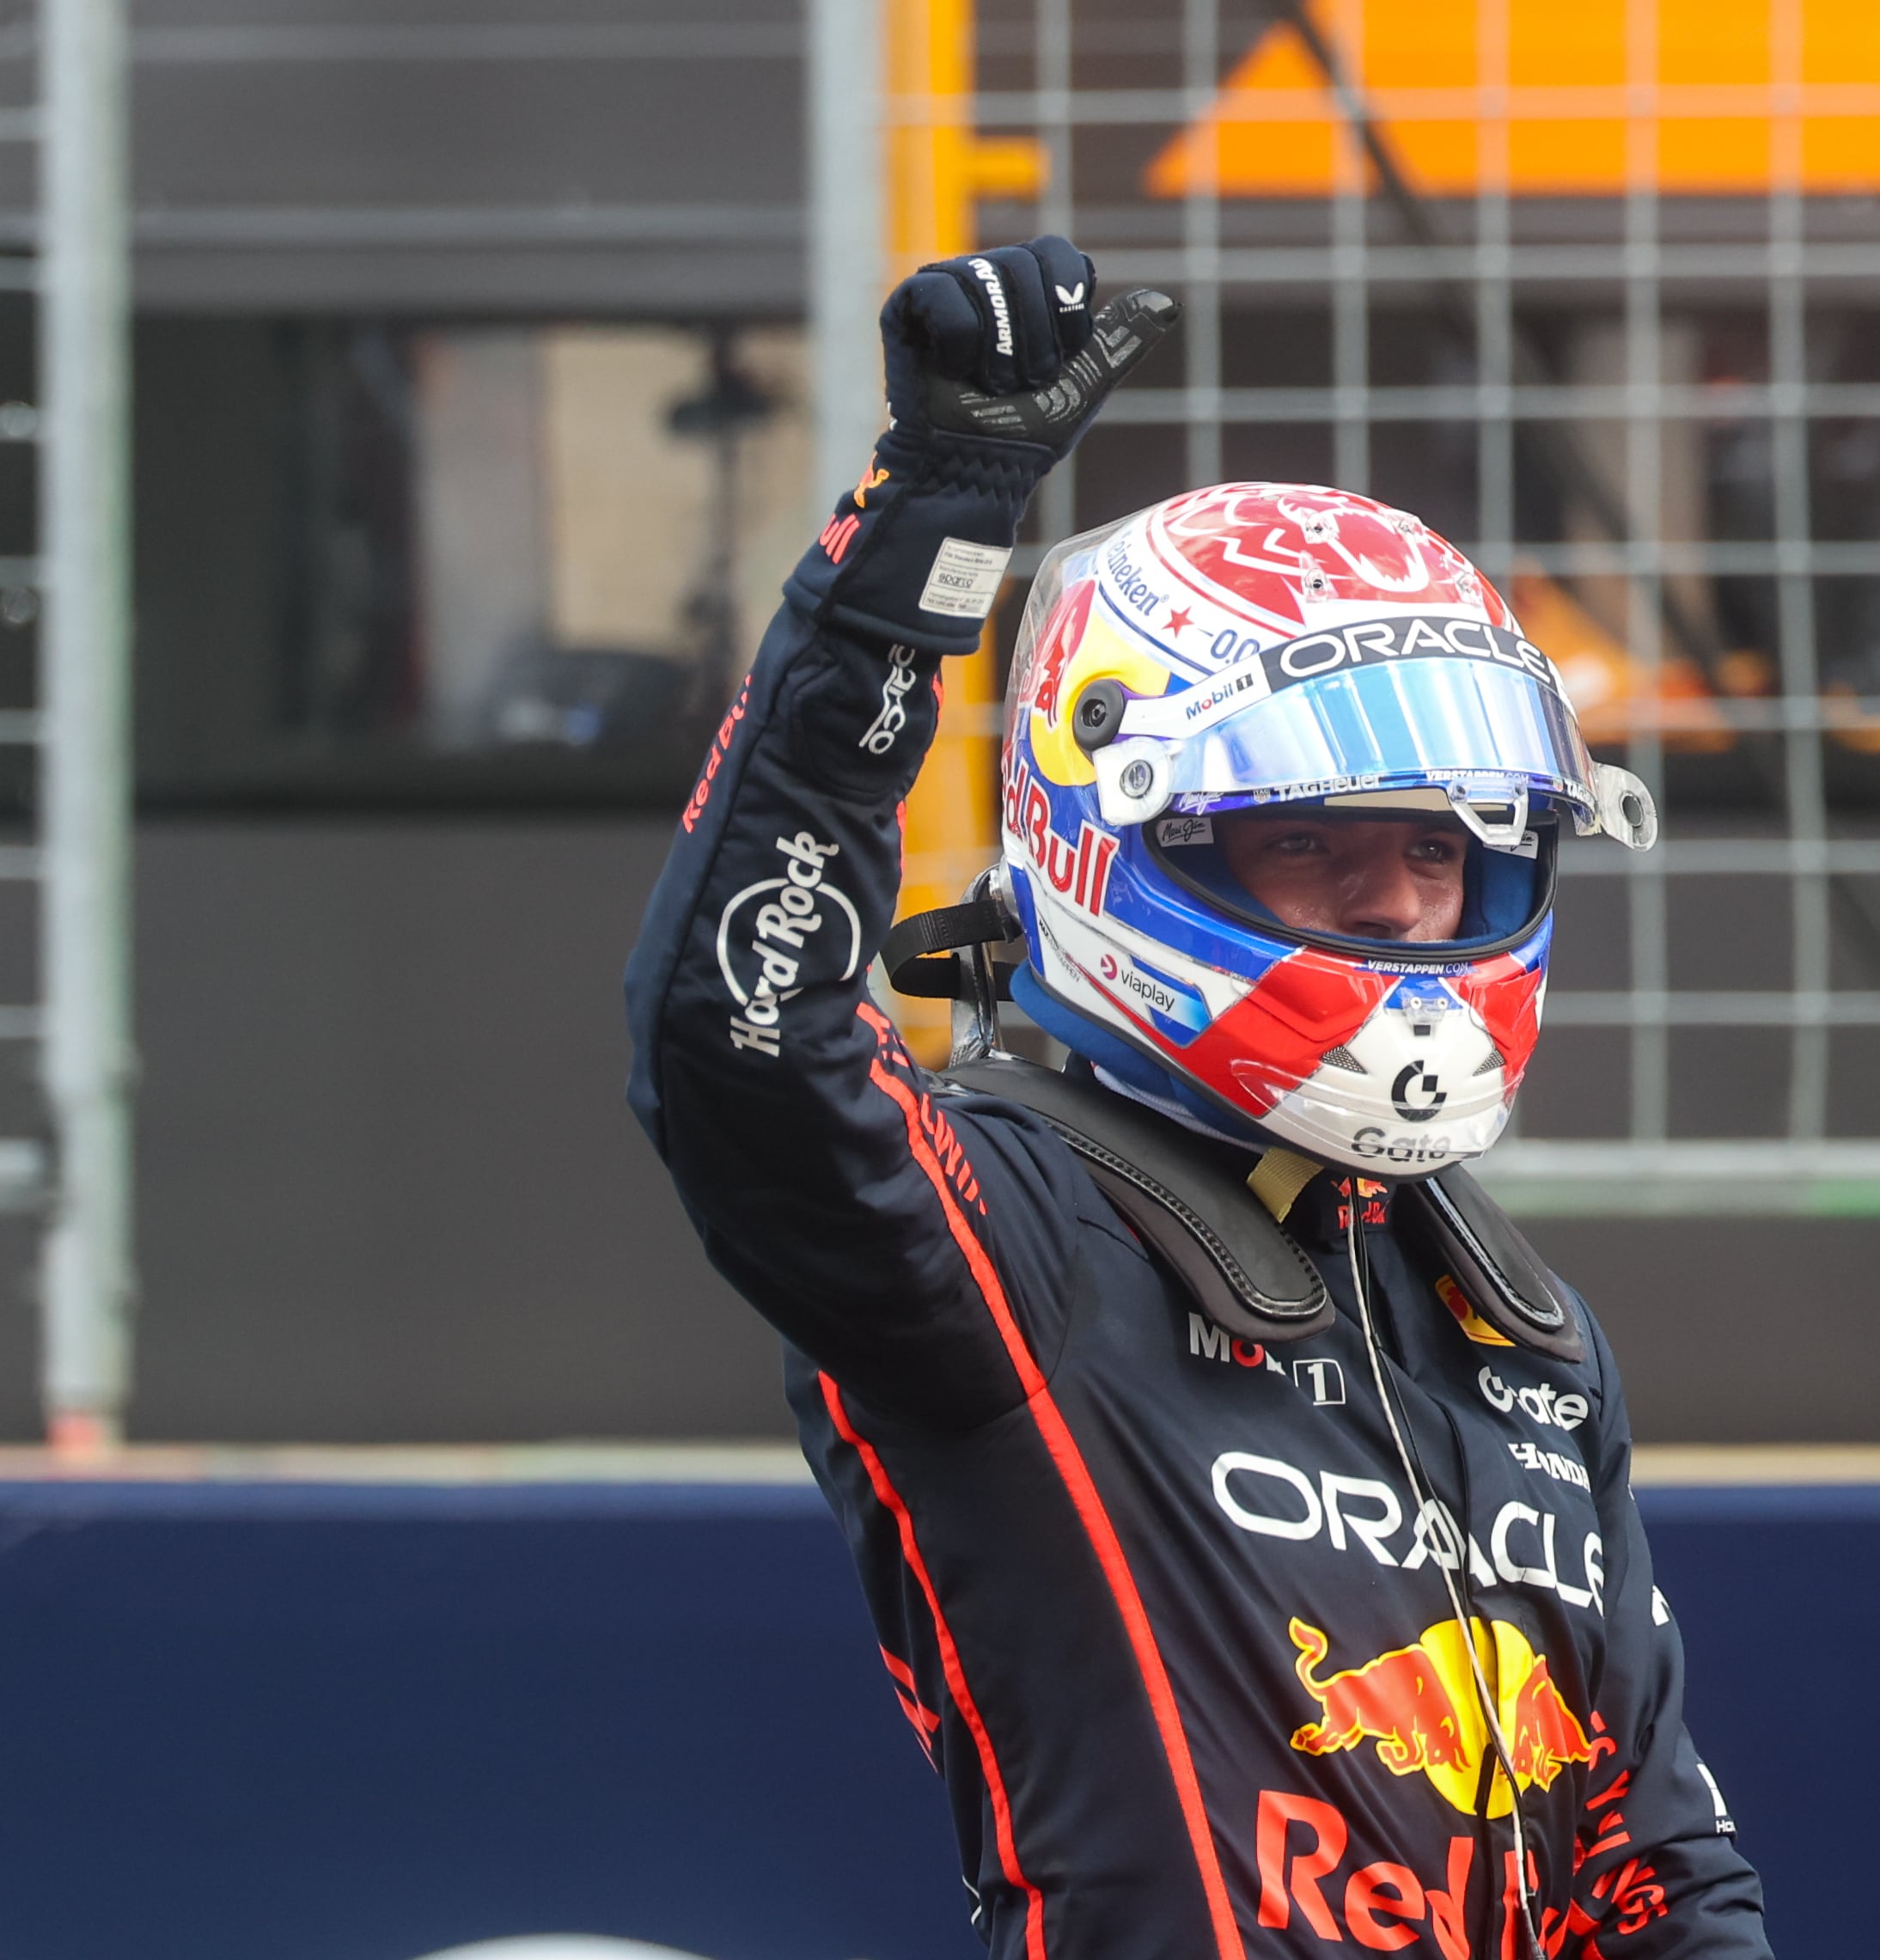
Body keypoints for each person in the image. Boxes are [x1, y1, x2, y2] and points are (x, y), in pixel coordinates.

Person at [625, 236, 1770, 1960]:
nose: (1395, 901)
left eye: (1438, 846)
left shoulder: (1518, 1326)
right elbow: (741, 1029)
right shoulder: (1009, 1237)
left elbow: (1656, 1871)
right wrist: (922, 526)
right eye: (1311, 842)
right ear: (1116, 842)